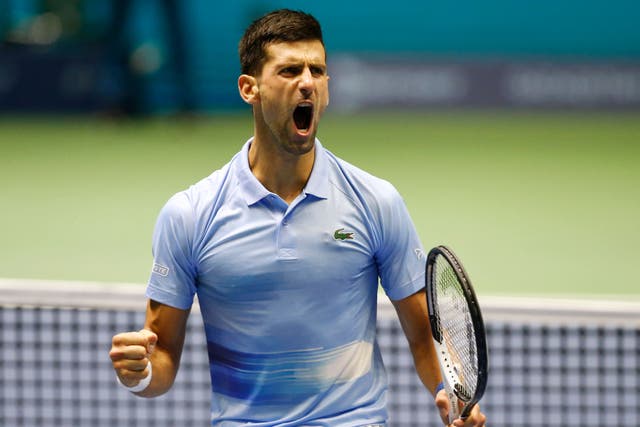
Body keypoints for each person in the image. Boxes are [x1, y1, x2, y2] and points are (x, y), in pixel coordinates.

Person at [109, 9, 487, 427]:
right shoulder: (190, 215)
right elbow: (161, 359)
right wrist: (140, 374)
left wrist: (450, 392)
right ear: (249, 88)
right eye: (289, 70)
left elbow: (424, 334)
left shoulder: (376, 201)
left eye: (317, 71)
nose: (307, 82)